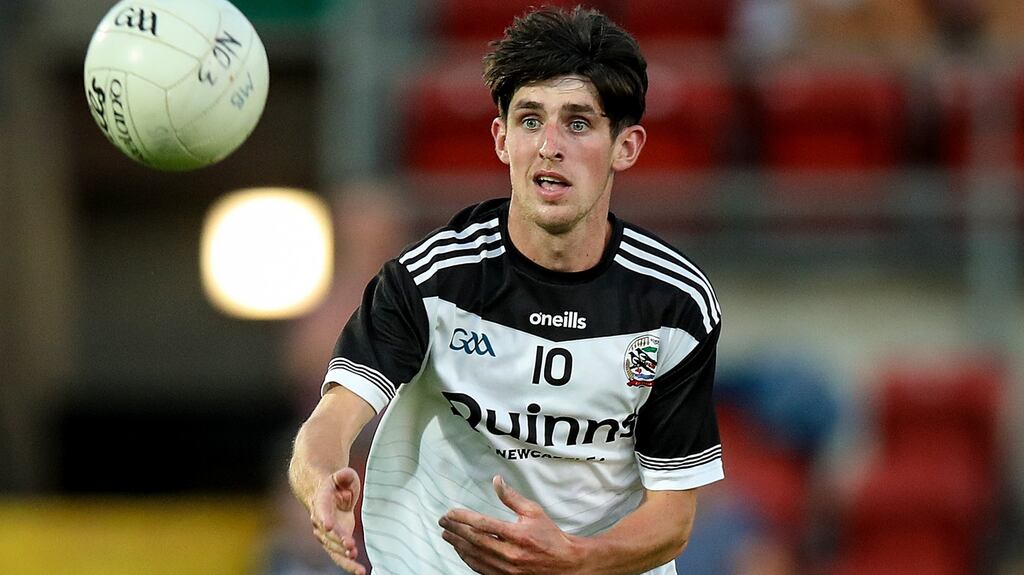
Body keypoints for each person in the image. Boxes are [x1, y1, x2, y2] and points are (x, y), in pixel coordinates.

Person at [288, 6, 724, 574]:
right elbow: (329, 422)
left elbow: (673, 517)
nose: (549, 146)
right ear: (501, 138)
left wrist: (571, 560)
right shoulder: (430, 280)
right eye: (529, 119)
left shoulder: (676, 306)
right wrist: (320, 483)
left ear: (627, 147)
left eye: (578, 122)